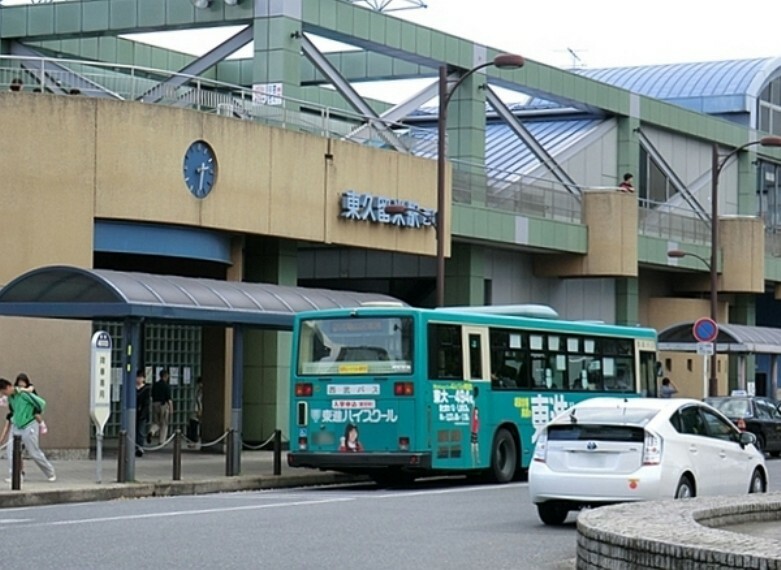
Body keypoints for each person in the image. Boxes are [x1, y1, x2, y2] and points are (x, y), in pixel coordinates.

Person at [0, 378, 56, 483]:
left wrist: (34, 412)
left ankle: (50, 472)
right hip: (16, 425)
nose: (4, 394)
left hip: (29, 425)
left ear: (8, 387)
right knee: (11, 451)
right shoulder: (10, 397)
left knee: (34, 452)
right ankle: (16, 476)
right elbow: (4, 401)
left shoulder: (24, 394)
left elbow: (41, 403)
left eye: (4, 392)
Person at [151, 369, 173, 445]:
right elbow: (169, 399)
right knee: (164, 423)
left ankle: (152, 431)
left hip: (155, 404)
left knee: (156, 422)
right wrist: (171, 409)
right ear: (166, 376)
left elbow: (152, 395)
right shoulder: (166, 386)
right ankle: (161, 441)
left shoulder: (155, 385)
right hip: (163, 405)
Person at [135, 370, 151, 457]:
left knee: (140, 431)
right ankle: (134, 446)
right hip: (134, 413)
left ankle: (140, 447)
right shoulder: (133, 388)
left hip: (142, 413)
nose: (138, 379)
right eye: (137, 377)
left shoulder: (146, 389)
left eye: (140, 377)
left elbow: (147, 403)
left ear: (144, 379)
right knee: (134, 430)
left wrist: (144, 414)